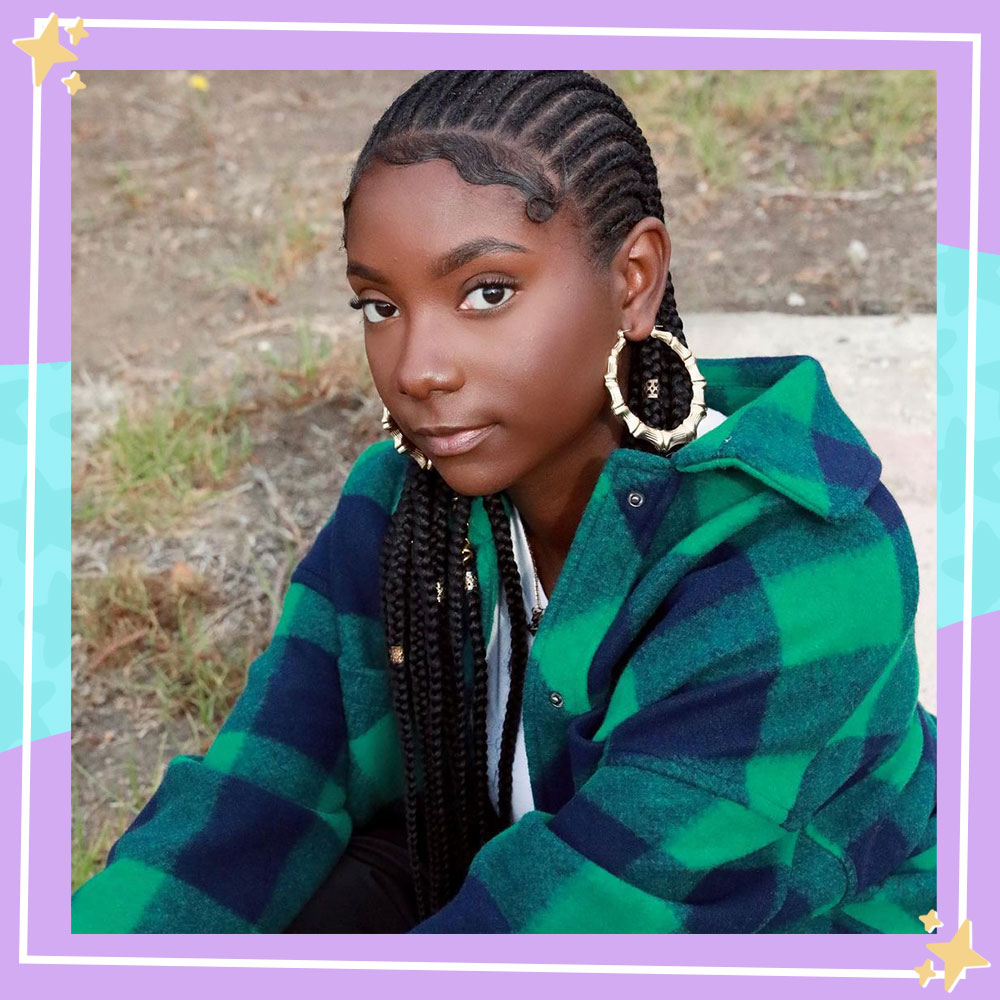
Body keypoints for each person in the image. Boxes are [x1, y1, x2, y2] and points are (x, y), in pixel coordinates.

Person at [71, 70, 936, 935]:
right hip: (490, 866)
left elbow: (585, 922)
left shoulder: (809, 566)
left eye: (486, 292)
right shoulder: (401, 506)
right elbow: (257, 792)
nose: (417, 368)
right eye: (380, 305)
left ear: (632, 279)